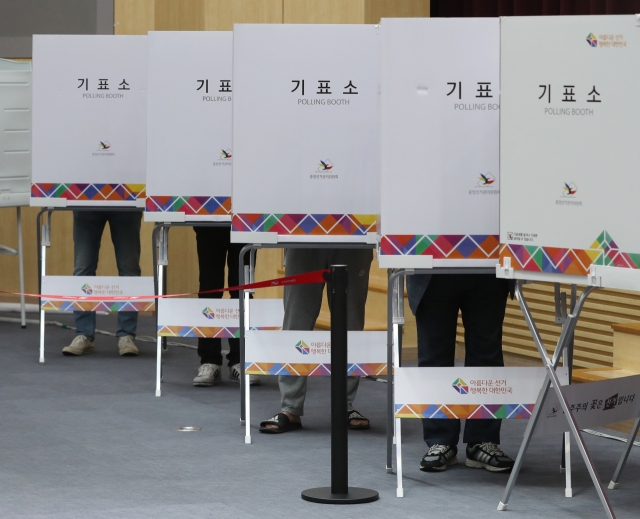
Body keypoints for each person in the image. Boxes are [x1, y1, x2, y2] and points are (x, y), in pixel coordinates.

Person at [407, 273, 515, 473]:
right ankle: (440, 440)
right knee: (434, 359)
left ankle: (482, 440)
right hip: (431, 265)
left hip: (489, 266)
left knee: (487, 357)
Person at [259, 248, 372, 433]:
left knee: (350, 324)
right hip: (302, 233)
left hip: (353, 233)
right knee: (296, 323)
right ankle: (290, 408)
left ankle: (345, 405)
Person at [62, 210, 142, 356]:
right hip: (86, 200)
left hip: (126, 201)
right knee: (83, 270)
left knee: (129, 271)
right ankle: (84, 334)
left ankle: (127, 336)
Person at [191, 226, 259, 387]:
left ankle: (241, 359)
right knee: (209, 288)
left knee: (243, 288)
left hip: (246, 220)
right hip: (209, 216)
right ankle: (209, 360)